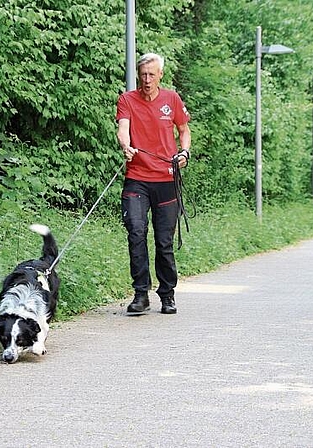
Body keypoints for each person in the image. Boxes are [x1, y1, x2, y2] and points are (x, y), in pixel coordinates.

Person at [115, 52, 191, 315]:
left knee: (163, 241)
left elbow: (184, 130)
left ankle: (167, 295)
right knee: (136, 232)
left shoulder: (172, 99)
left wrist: (184, 152)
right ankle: (140, 294)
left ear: (160, 75)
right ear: (138, 75)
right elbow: (123, 128)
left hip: (166, 179)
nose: (147, 80)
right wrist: (125, 146)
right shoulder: (127, 100)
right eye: (143, 74)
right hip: (136, 177)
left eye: (152, 74)